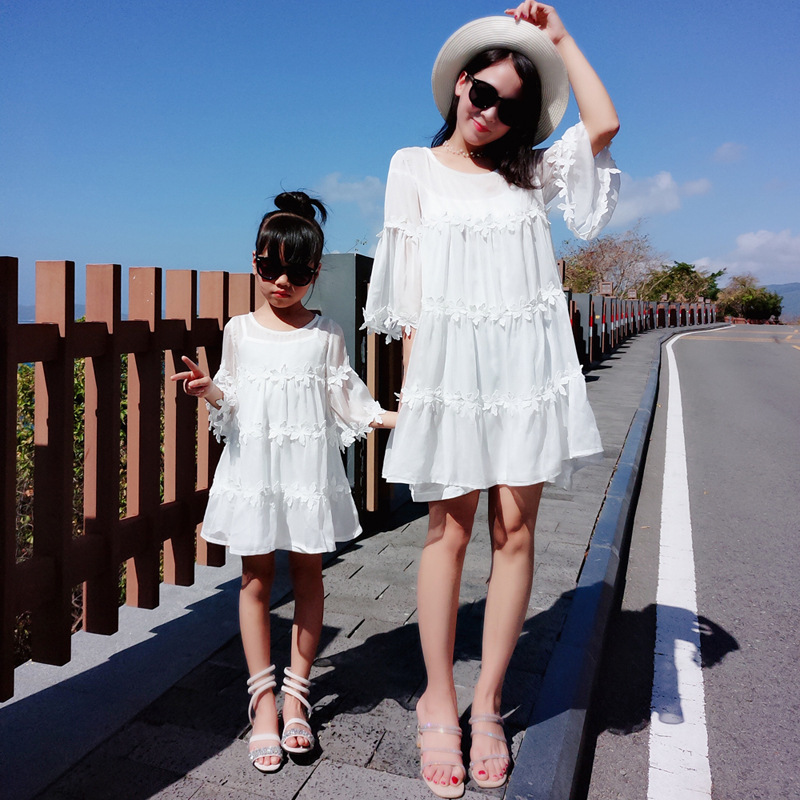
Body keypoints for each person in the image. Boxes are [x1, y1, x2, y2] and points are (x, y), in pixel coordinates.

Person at [363, 3, 619, 797]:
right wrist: (418, 396)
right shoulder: (412, 165)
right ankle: (437, 697)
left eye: (510, 105)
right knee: (449, 529)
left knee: (516, 529)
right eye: (483, 94)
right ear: (460, 84)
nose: (490, 113)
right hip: (449, 373)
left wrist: (562, 40)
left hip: (523, 371)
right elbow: (405, 296)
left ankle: (486, 704)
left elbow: (603, 126)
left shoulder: (530, 175)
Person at [172, 191, 397, 773]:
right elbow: (235, 401)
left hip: (305, 475)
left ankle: (297, 692)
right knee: (254, 578)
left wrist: (399, 417)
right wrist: (210, 390)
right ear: (255, 262)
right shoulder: (239, 331)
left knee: (307, 575)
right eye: (270, 268)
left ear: (314, 273)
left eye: (296, 272)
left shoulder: (326, 333)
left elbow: (349, 398)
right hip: (255, 471)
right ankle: (263, 700)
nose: (281, 282)